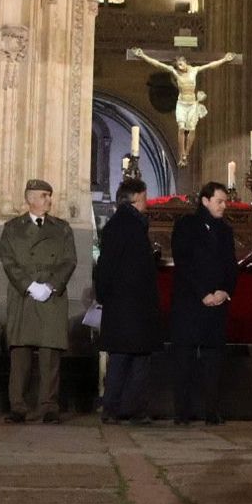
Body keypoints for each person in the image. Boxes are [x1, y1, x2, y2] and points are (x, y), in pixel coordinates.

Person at [0, 178, 77, 424]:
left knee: (49, 354)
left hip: (51, 296)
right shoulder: (12, 228)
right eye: (44, 195)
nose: (49, 200)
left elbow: (69, 260)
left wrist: (51, 285)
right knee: (20, 354)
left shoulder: (62, 228)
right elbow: (8, 260)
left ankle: (48, 406)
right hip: (24, 296)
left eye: (49, 195)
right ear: (30, 198)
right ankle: (18, 406)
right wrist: (29, 285)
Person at [169, 182, 238, 426]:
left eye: (225, 201)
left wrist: (224, 291)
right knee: (184, 359)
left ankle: (212, 409)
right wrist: (203, 293)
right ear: (206, 201)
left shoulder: (225, 231)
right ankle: (182, 412)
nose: (224, 205)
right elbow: (184, 262)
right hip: (190, 303)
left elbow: (231, 265)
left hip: (217, 304)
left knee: (213, 360)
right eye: (219, 201)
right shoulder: (187, 226)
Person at [94, 178, 160, 424]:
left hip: (126, 305)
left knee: (128, 359)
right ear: (136, 199)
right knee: (130, 360)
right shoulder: (127, 225)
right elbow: (108, 266)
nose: (147, 203)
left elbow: (107, 265)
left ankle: (121, 408)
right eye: (144, 197)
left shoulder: (121, 224)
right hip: (131, 306)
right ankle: (125, 409)